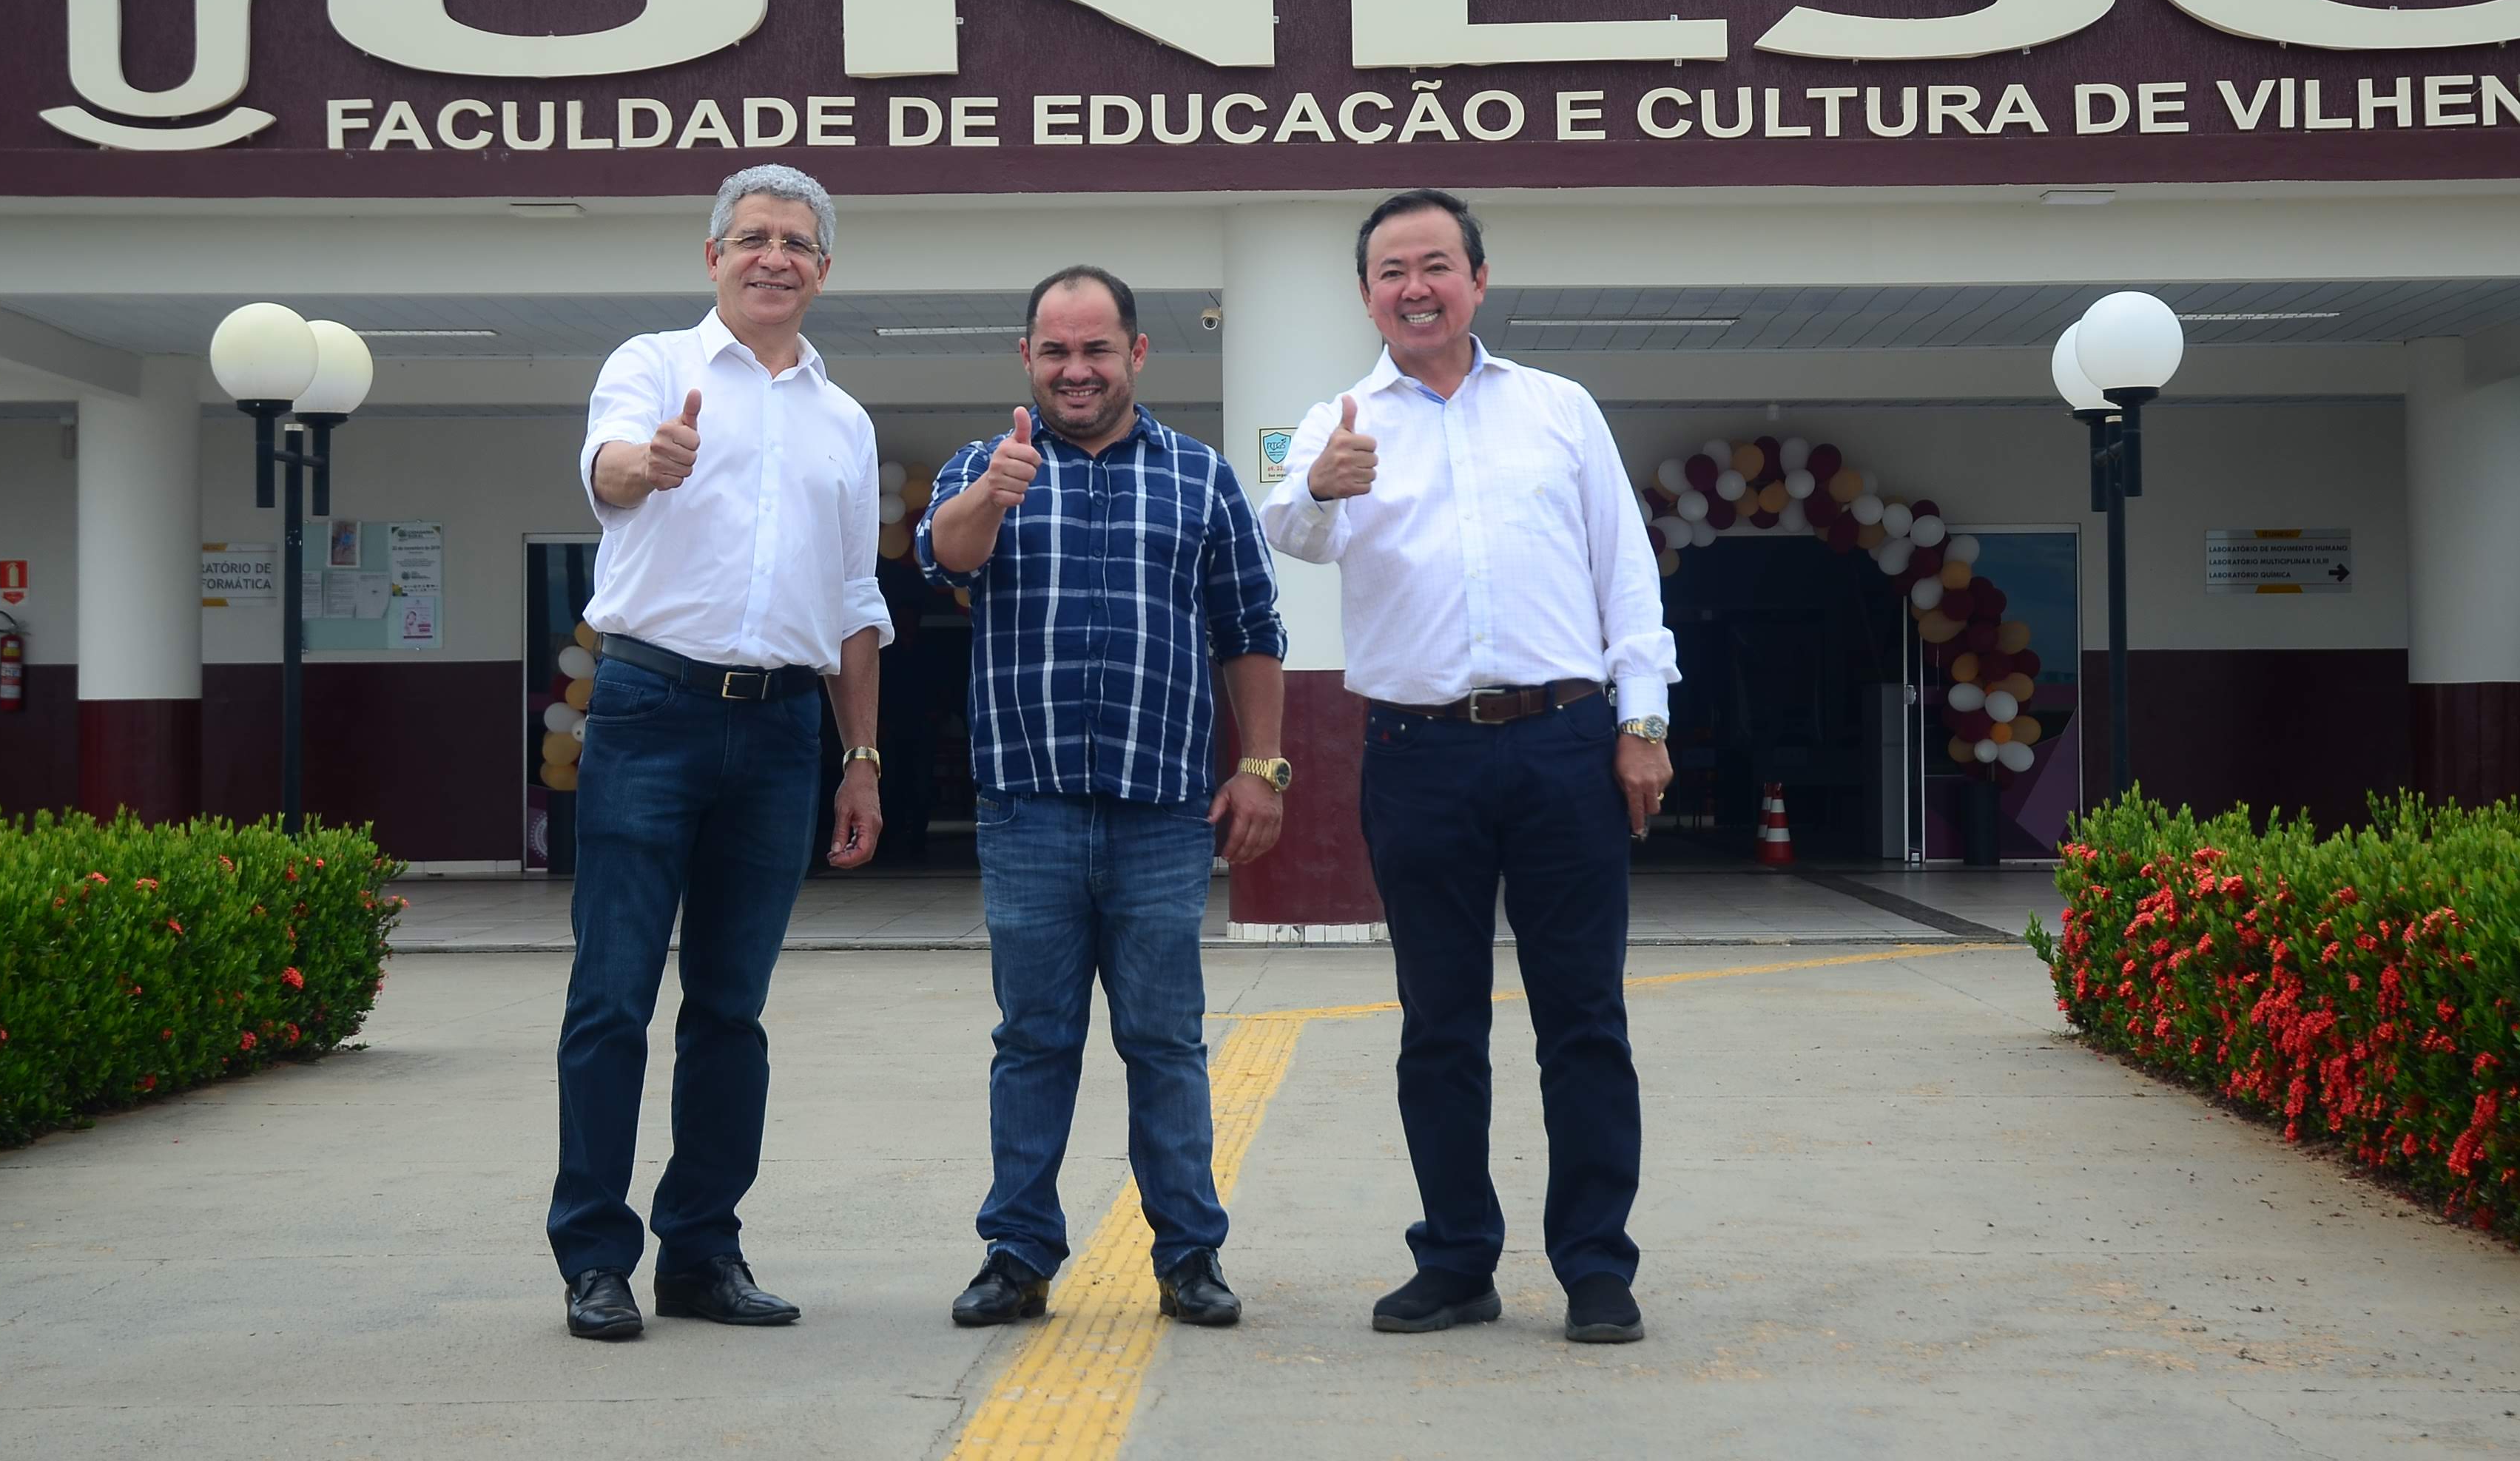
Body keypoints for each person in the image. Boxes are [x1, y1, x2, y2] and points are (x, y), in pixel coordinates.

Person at [1261, 188, 1678, 1346]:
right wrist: (1322, 487)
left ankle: (1596, 1266)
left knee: (1583, 1020)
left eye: (1436, 265)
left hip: (1564, 744)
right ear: (1366, 295)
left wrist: (1643, 721)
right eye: (1392, 271)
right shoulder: (1339, 420)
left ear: (1479, 280)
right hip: (1418, 753)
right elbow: (1287, 530)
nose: (1416, 287)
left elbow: (1626, 573)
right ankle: (1454, 1261)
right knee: (1439, 1025)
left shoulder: (1558, 408)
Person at [549, 163, 892, 1340]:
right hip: (651, 708)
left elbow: (854, 602)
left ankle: (701, 1251)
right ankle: (596, 1257)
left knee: (731, 1010)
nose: (774, 257)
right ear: (713, 257)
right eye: (752, 237)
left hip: (784, 729)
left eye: (797, 242)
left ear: (824, 270)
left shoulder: (845, 423)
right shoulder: (653, 366)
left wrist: (862, 757)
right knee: (612, 997)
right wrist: (646, 464)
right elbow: (607, 468)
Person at [918, 264, 1289, 1332]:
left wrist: (1263, 766)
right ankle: (1018, 1254)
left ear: (1136, 353)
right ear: (1027, 359)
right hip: (1026, 806)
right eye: (1055, 351)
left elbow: (1251, 630)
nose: (1075, 369)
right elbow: (945, 561)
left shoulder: (1201, 476)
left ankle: (1189, 1256)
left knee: (1165, 1041)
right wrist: (992, 495)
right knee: (1032, 1040)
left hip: (1161, 810)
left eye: (1096, 349)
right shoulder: (983, 466)